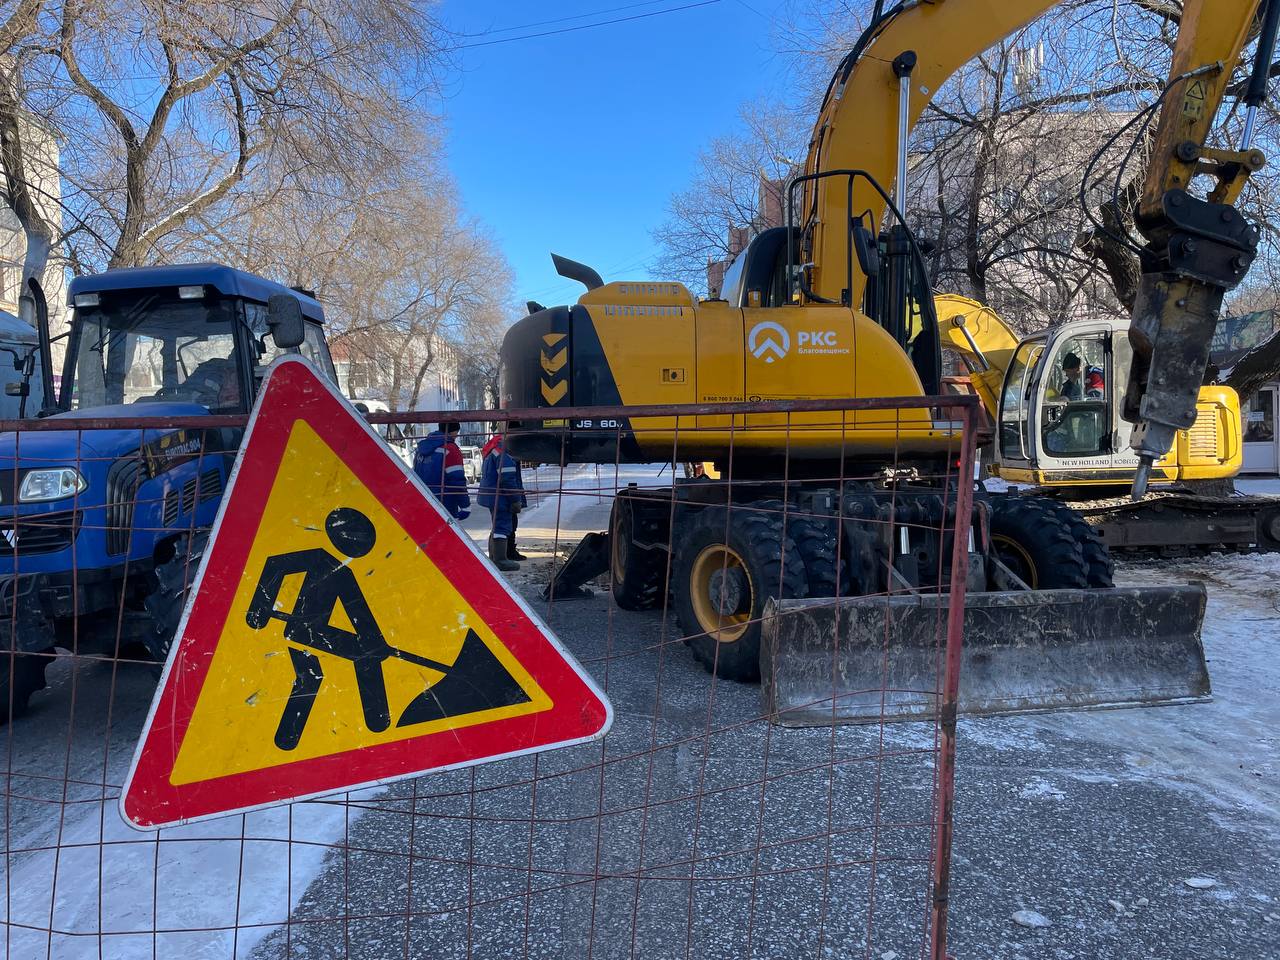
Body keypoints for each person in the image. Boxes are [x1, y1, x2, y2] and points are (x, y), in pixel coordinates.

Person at [478, 433, 527, 572]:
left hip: (493, 495)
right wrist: (515, 500)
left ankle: (494, 558)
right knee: (502, 527)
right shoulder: (503, 453)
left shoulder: (493, 449)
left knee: (497, 526)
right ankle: (500, 560)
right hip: (501, 497)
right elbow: (507, 479)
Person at [413, 421, 471, 521]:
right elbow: (457, 480)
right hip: (444, 503)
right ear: (453, 431)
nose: (457, 435)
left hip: (422, 499)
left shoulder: (420, 449)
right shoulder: (450, 449)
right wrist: (465, 505)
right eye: (457, 432)